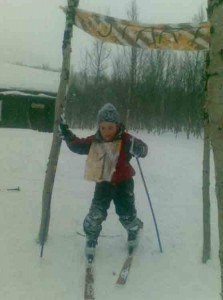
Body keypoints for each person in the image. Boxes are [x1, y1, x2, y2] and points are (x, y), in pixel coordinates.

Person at [59, 103, 148, 257]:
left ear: (117, 126)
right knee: (96, 212)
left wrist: (139, 148)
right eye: (103, 128)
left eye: (110, 128)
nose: (107, 132)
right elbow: (78, 146)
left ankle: (133, 230)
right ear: (99, 127)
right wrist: (68, 136)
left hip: (123, 183)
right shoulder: (96, 140)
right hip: (103, 183)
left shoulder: (126, 139)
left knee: (126, 212)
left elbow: (144, 149)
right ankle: (91, 238)